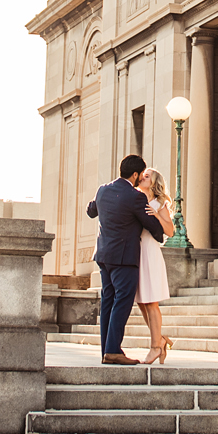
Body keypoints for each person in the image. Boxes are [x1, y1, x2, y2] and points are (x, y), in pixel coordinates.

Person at [85, 154, 162, 364]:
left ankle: (107, 351)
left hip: (103, 256)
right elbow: (152, 225)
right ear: (136, 174)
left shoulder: (103, 190)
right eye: (140, 176)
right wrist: (159, 229)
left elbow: (91, 211)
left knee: (108, 302)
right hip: (124, 258)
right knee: (122, 301)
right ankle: (113, 350)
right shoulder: (134, 196)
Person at [135, 169, 177, 365]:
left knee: (151, 302)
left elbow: (170, 230)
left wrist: (157, 216)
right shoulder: (135, 198)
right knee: (141, 301)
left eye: (147, 175)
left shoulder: (159, 203)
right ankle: (159, 339)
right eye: (143, 174)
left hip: (150, 253)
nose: (143, 176)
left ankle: (155, 347)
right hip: (137, 253)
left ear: (154, 182)